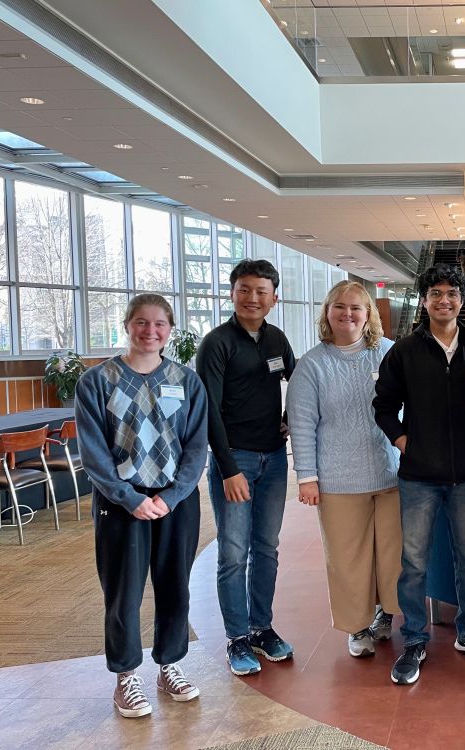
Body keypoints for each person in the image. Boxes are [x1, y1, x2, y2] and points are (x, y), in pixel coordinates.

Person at [75, 294, 208, 718]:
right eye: (141, 322)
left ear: (170, 330)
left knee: (175, 587)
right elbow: (93, 452)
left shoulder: (186, 381)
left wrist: (171, 497)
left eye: (159, 324)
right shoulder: (97, 381)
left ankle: (170, 665)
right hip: (121, 504)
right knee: (123, 593)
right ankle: (126, 676)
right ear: (127, 325)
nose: (150, 331)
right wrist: (129, 498)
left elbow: (196, 445)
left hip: (175, 502)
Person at [373, 263, 465, 685]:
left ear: (462, 301)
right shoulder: (406, 350)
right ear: (425, 300)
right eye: (436, 294)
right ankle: (414, 639)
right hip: (419, 476)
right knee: (413, 562)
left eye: (452, 293)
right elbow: (383, 404)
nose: (444, 300)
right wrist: (402, 440)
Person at [286, 281, 401, 660]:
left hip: (391, 476)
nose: (348, 314)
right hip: (338, 480)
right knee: (348, 558)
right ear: (327, 313)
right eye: (340, 307)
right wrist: (307, 478)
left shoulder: (389, 354)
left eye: (356, 307)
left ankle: (386, 613)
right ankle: (358, 625)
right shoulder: (312, 365)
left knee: (392, 554)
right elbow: (302, 424)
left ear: (369, 314)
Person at [196, 259, 296, 676]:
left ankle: (262, 628)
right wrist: (227, 468)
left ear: (274, 298)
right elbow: (208, 411)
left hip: (273, 459)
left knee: (267, 549)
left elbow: (300, 382)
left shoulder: (276, 338)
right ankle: (237, 637)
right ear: (232, 293)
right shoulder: (216, 343)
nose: (252, 298)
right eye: (244, 289)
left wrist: (292, 416)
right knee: (234, 554)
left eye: (261, 291)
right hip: (234, 460)